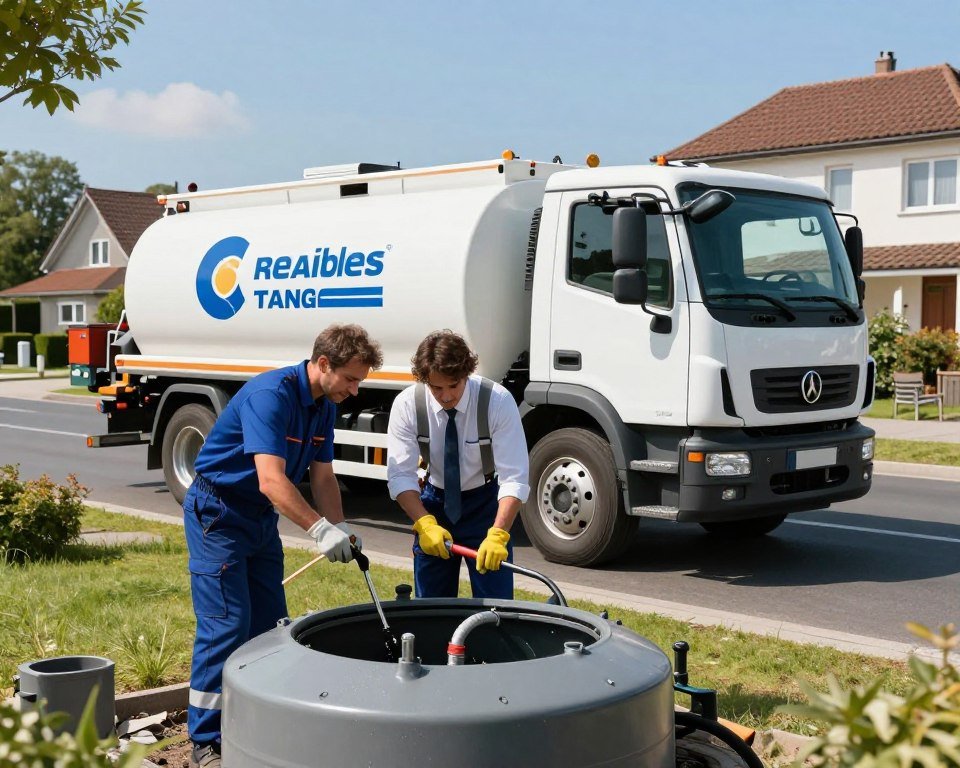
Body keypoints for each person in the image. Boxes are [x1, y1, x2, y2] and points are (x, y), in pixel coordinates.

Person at [183, 324, 382, 768]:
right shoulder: (270, 396)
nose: (354, 390)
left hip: (256, 518)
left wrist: (341, 526)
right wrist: (318, 531)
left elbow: (323, 476)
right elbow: (272, 481)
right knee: (227, 624)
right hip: (218, 513)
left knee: (271, 624)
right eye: (351, 378)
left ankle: (255, 716)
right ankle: (206, 739)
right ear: (324, 364)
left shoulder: (322, 405)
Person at [387, 330, 529, 599]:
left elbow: (515, 478)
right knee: (431, 607)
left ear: (467, 374)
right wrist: (424, 524)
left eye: (454, 385)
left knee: (496, 609)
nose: (446, 396)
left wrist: (498, 534)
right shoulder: (407, 405)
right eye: (436, 388)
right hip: (434, 506)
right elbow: (400, 476)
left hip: (486, 507)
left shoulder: (496, 401)